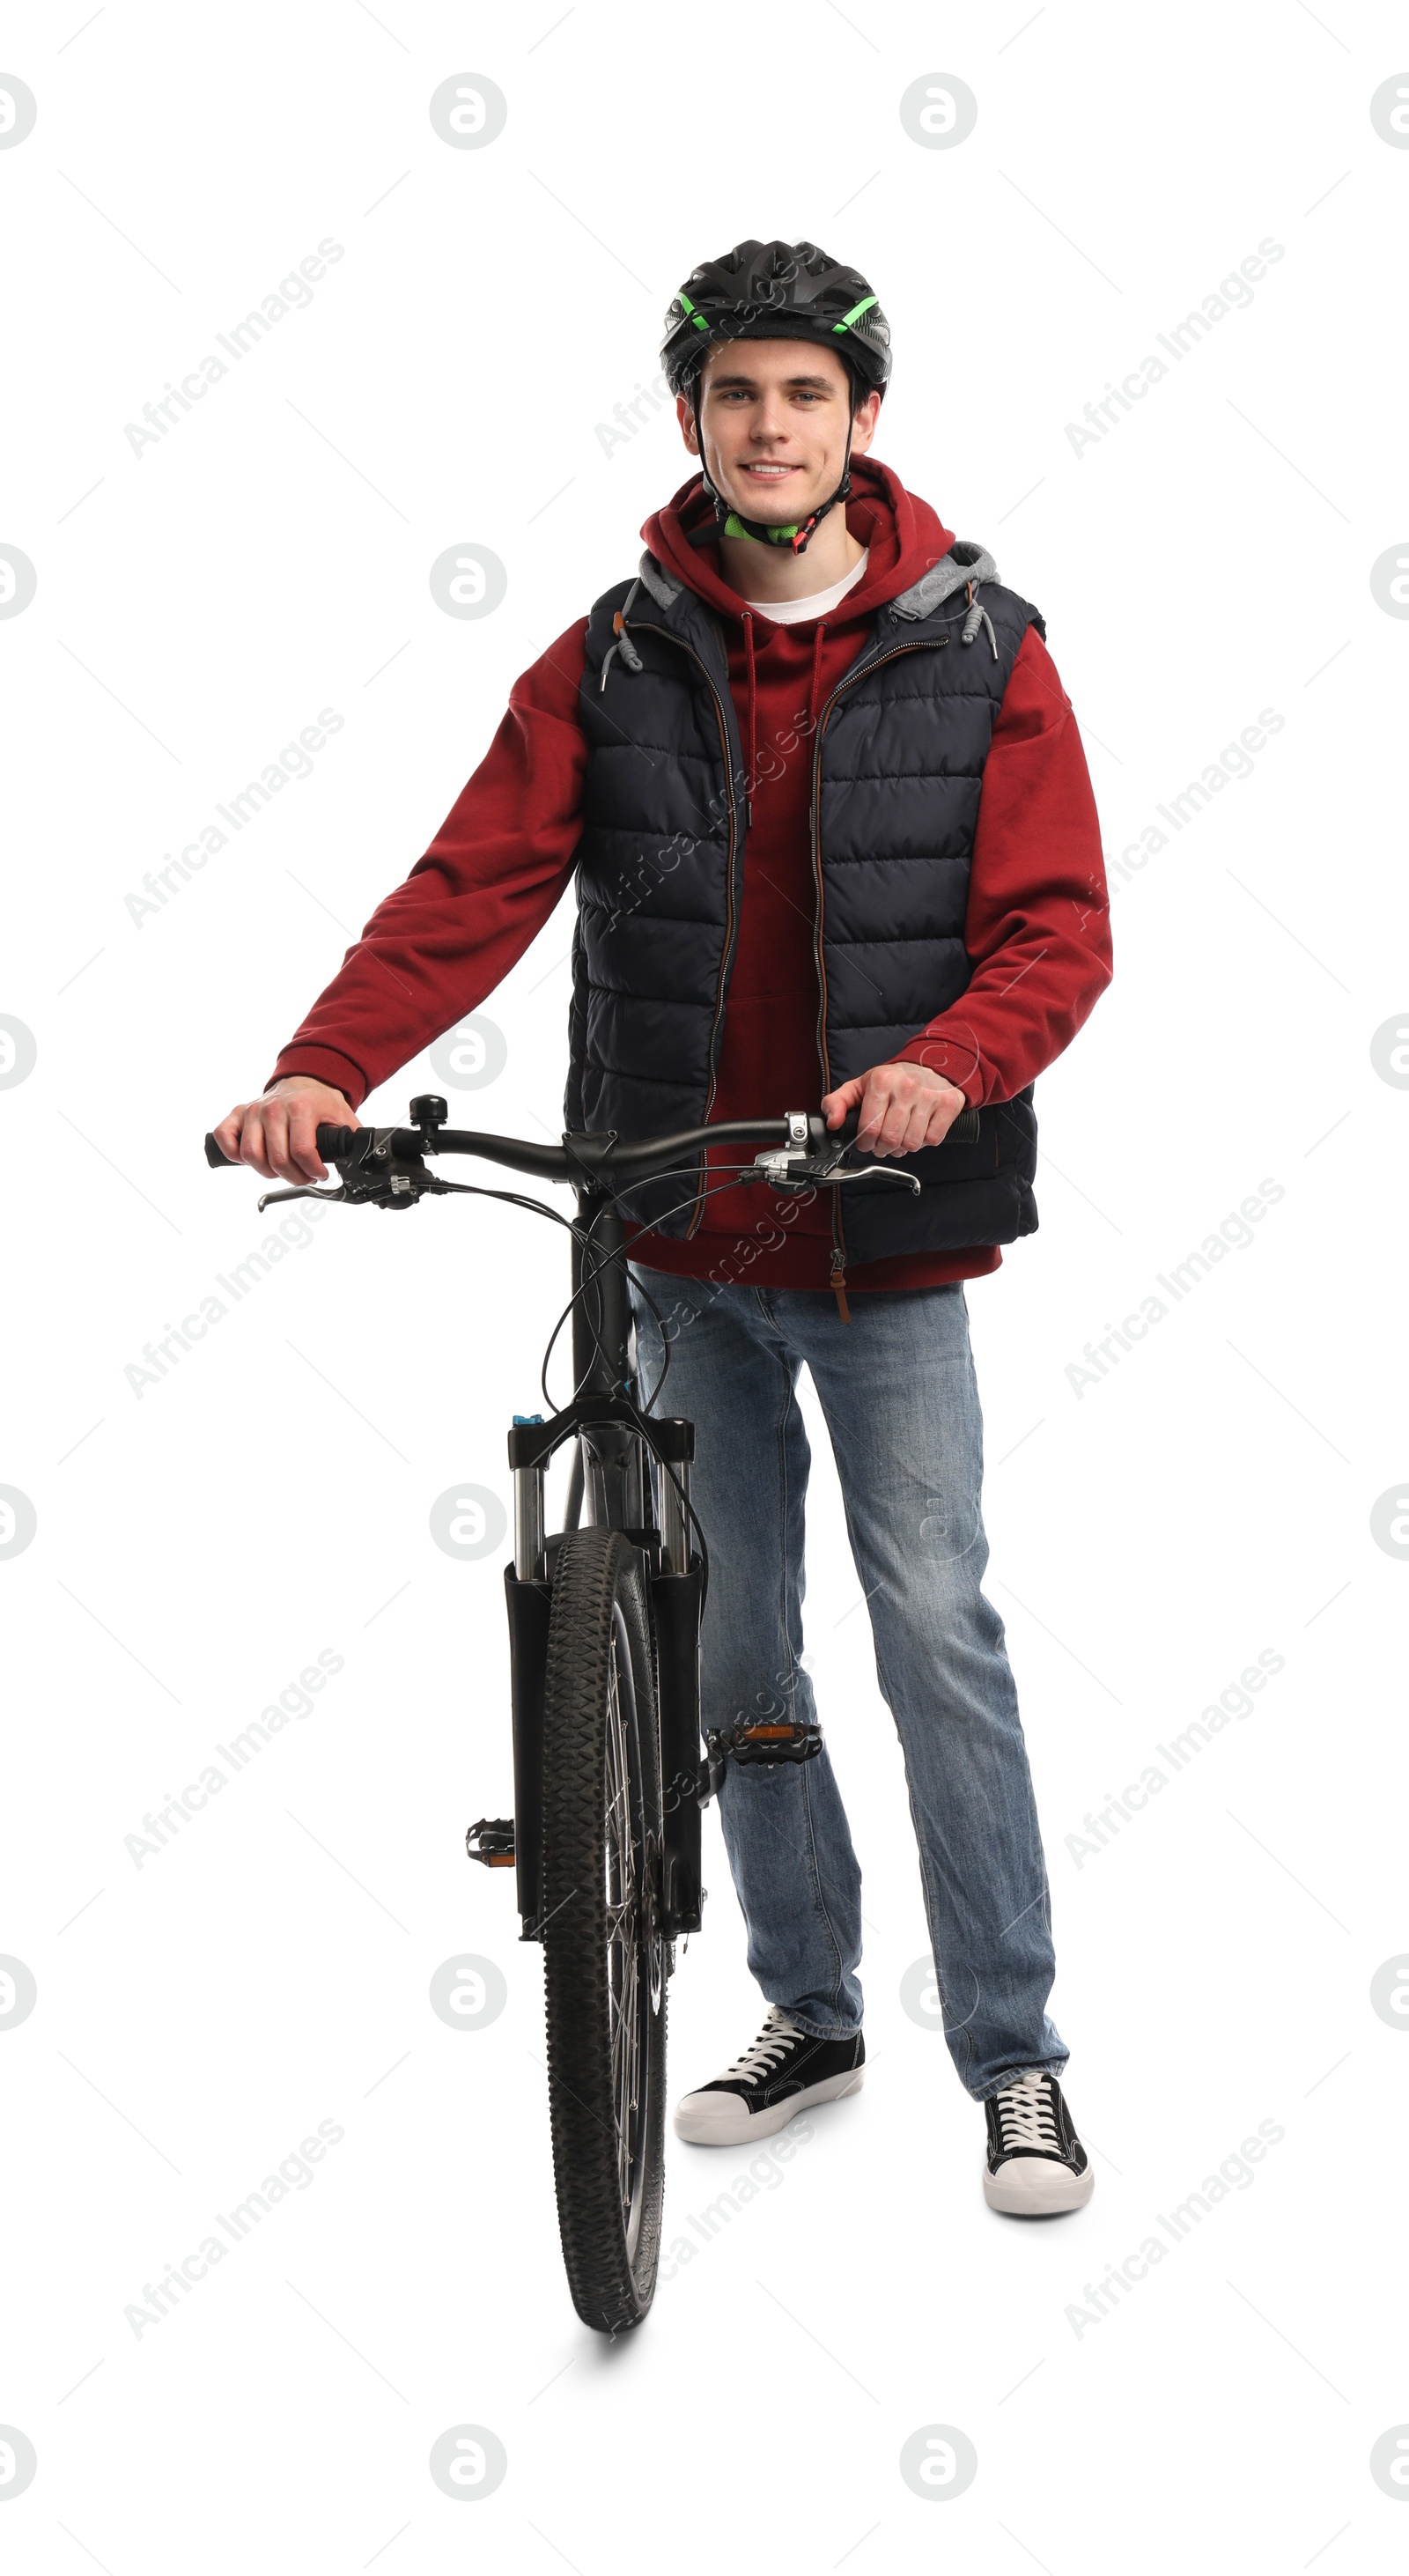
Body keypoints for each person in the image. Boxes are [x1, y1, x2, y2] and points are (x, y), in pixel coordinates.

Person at [215, 239, 1112, 2217]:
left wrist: (947, 1064)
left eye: (804, 394)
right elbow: (470, 881)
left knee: (933, 1633)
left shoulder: (980, 642)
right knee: (737, 1654)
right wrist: (319, 1066)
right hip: (678, 1229)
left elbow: (1057, 927)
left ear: (861, 420)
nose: (769, 425)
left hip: (883, 1236)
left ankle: (1016, 2054)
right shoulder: (615, 650)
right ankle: (808, 2002)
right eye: (734, 394)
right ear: (689, 417)